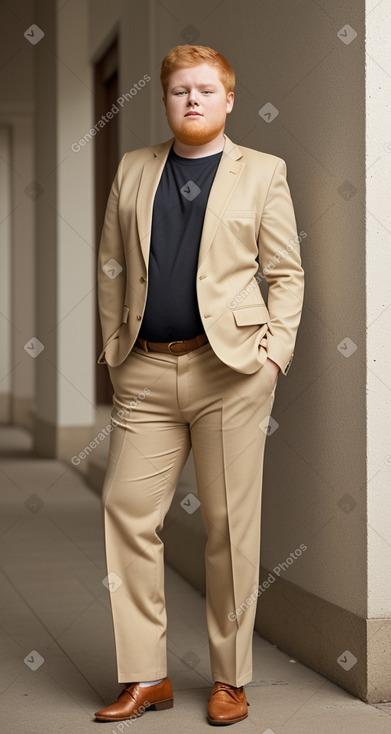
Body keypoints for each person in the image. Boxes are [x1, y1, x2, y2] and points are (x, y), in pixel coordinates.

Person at [94, 44, 304, 726]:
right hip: (146, 372)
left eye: (205, 90)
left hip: (233, 373)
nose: (192, 99)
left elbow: (287, 273)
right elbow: (110, 269)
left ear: (228, 100)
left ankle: (230, 681)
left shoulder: (262, 173)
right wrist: (115, 353)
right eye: (180, 90)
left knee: (228, 529)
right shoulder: (132, 169)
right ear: (164, 100)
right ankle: (144, 676)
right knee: (127, 511)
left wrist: (274, 354)